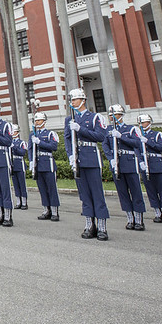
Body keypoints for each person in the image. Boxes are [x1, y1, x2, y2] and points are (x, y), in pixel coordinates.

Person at [65, 88, 109, 241]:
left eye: (75, 99)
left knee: (97, 193)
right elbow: (67, 139)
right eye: (71, 100)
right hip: (78, 159)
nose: (72, 102)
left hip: (91, 157)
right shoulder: (69, 119)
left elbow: (101, 136)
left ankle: (102, 227)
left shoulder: (95, 117)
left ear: (83, 100)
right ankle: (89, 224)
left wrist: (80, 129)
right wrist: (70, 155)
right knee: (84, 194)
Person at [103, 104, 147, 231]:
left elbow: (137, 143)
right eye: (110, 115)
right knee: (122, 193)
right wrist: (110, 158)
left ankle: (139, 219)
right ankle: (130, 218)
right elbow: (105, 145)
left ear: (120, 115)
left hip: (129, 162)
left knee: (135, 191)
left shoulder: (131, 129)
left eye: (114, 115)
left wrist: (121, 137)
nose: (112, 117)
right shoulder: (108, 130)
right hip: (117, 163)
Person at [135, 114, 162, 224]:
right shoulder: (138, 136)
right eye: (140, 123)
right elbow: (137, 150)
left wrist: (148, 141)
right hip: (146, 166)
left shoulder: (157, 135)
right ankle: (157, 212)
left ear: (149, 122)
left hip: (157, 164)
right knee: (151, 190)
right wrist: (140, 161)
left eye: (144, 122)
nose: (142, 125)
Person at [28, 112, 60, 221]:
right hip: (38, 164)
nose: (37, 122)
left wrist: (40, 142)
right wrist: (31, 162)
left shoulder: (50, 134)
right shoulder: (32, 135)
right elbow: (30, 149)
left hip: (48, 163)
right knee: (42, 189)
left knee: (51, 188)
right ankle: (46, 210)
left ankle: (55, 211)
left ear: (44, 122)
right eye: (36, 121)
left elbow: (53, 146)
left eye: (39, 120)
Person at [10, 124, 29, 210]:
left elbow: (22, 153)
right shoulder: (9, 142)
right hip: (12, 164)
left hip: (19, 164)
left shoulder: (22, 143)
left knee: (22, 184)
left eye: (14, 131)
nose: (12, 133)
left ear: (17, 132)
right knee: (15, 184)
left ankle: (24, 202)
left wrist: (14, 147)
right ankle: (18, 201)